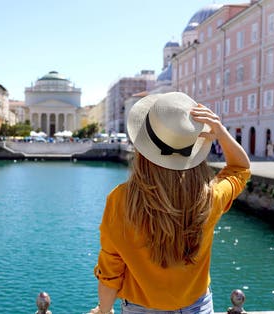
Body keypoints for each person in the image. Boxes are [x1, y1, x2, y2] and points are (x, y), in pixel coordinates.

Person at [88, 92, 250, 314]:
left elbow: (111, 269)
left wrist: (103, 310)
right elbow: (240, 169)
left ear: (142, 149)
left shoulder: (121, 200)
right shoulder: (209, 197)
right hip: (197, 307)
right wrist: (220, 131)